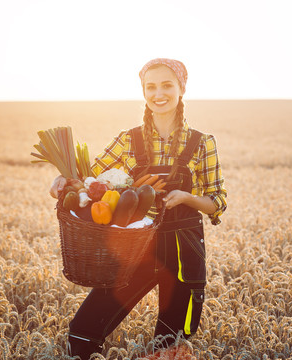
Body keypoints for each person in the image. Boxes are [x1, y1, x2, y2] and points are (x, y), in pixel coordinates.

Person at [50, 58, 227, 359]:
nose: (159, 93)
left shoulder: (201, 143)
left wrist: (186, 197)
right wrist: (63, 178)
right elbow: (89, 178)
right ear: (143, 91)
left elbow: (217, 202)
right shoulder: (127, 140)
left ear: (181, 88)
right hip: (135, 247)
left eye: (167, 85)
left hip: (183, 251)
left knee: (171, 346)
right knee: (83, 331)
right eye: (151, 86)